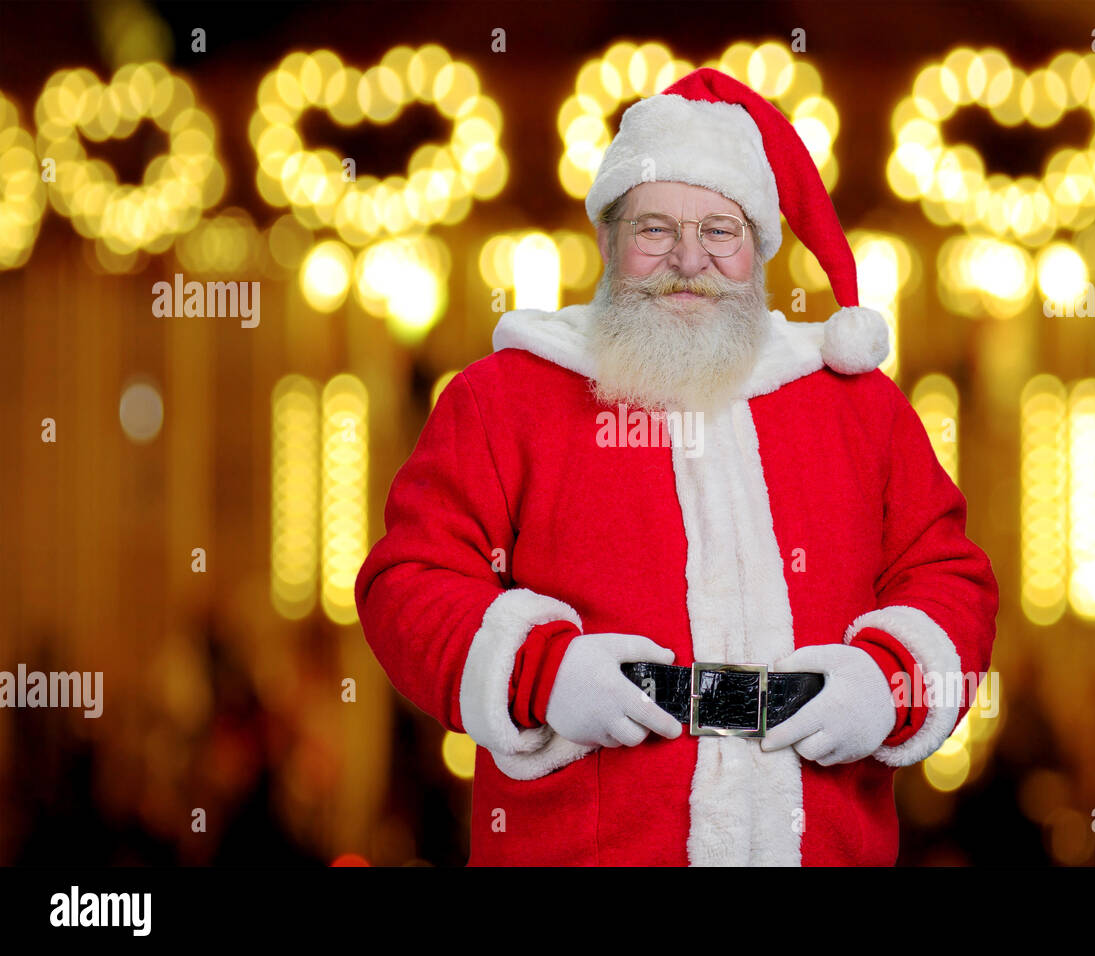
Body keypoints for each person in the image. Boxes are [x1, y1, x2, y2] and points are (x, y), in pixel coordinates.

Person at [355, 68, 999, 866]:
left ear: (759, 249)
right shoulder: (506, 399)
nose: (687, 258)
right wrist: (541, 674)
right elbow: (408, 580)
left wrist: (888, 684)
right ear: (609, 241)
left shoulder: (858, 410)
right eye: (654, 229)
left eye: (720, 232)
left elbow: (950, 577)